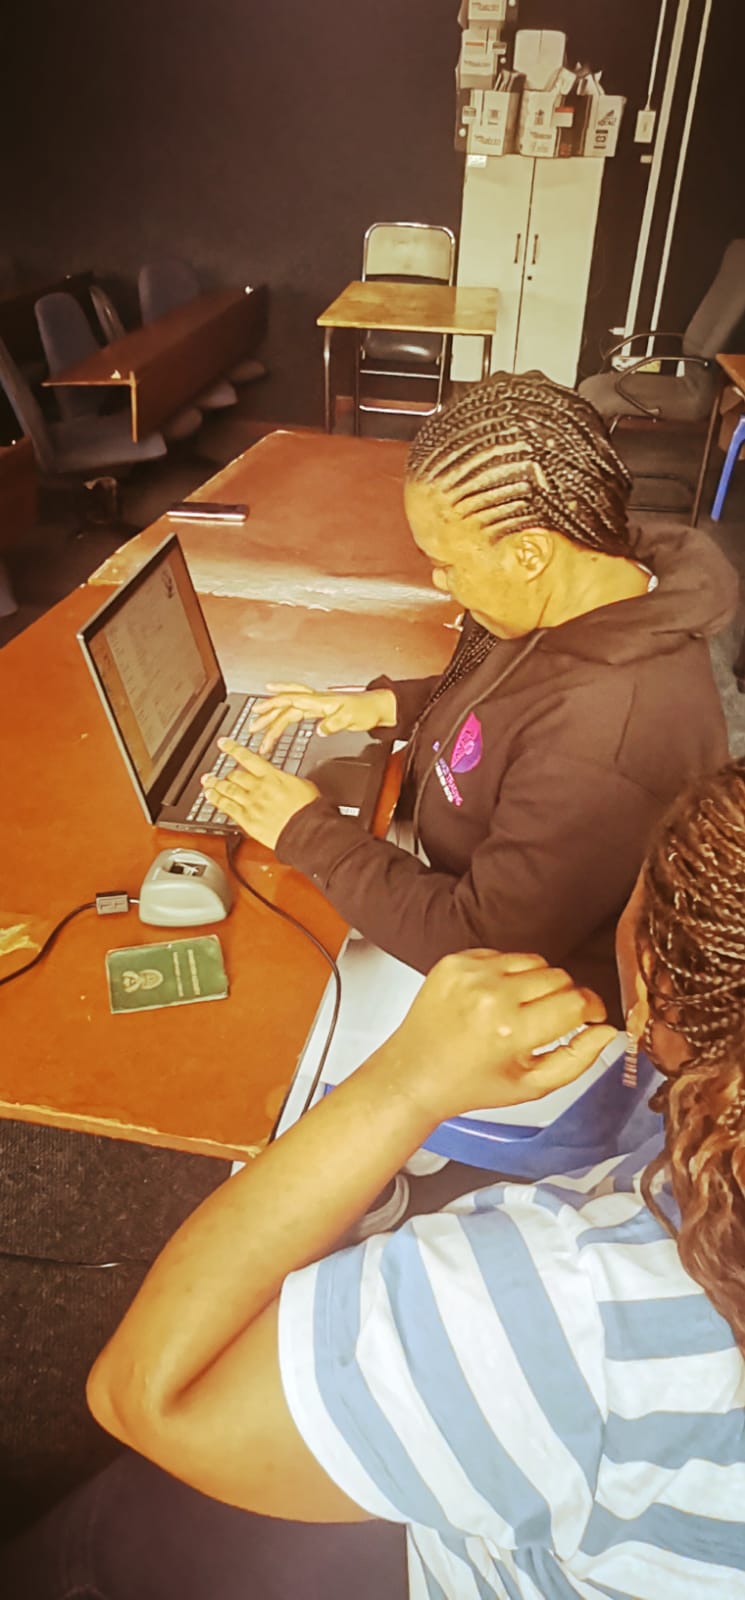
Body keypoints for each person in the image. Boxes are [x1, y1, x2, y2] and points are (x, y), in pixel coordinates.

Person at [4, 759, 745, 1599]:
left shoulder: (581, 1311)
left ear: (654, 987)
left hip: (447, 1564)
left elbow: (145, 1397)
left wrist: (405, 1083)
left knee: (130, 1520)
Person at [200, 371, 735, 1020]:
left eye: (448, 563)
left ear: (529, 554)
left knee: (262, 991)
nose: (438, 579)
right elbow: (504, 697)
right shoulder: (596, 579)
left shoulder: (603, 744)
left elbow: (480, 940)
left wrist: (304, 831)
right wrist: (391, 707)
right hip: (450, 866)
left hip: (526, 992)